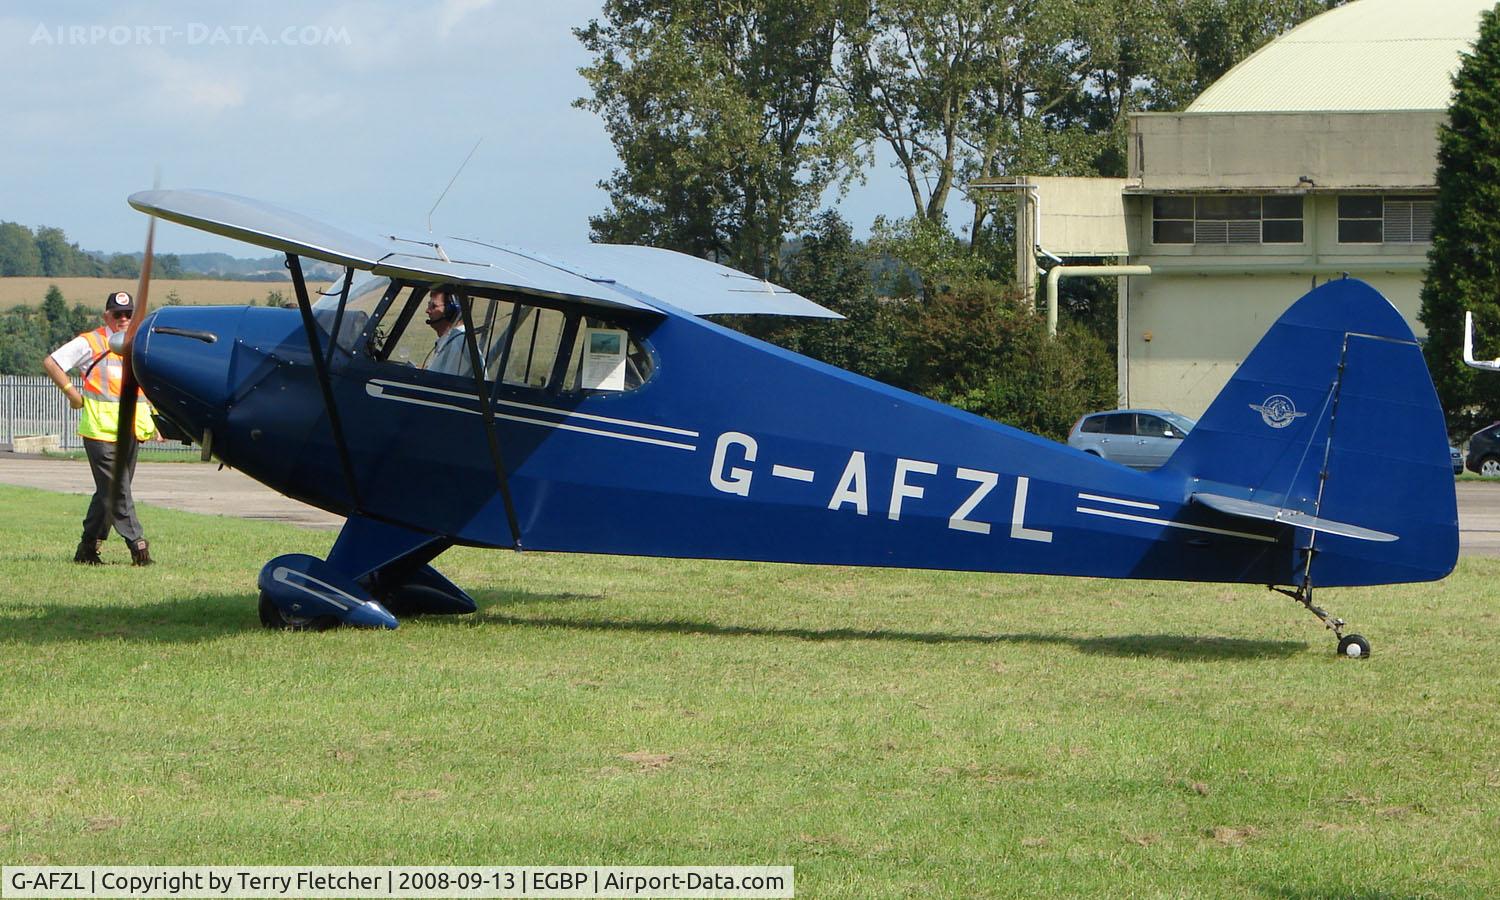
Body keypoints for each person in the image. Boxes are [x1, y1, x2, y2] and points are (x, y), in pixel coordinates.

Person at [41, 290, 157, 565]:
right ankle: (138, 546)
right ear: (107, 316)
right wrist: (71, 392)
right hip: (100, 431)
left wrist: (155, 420)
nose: (124, 319)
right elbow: (52, 362)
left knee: (110, 491)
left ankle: (87, 549)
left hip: (131, 430)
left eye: (129, 314)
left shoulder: (140, 345)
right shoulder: (91, 342)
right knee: (117, 488)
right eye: (118, 314)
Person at [421, 285, 474, 378]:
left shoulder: (459, 344)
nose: (427, 311)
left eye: (433, 306)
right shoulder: (452, 339)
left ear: (451, 310)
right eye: (429, 305)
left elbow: (441, 383)